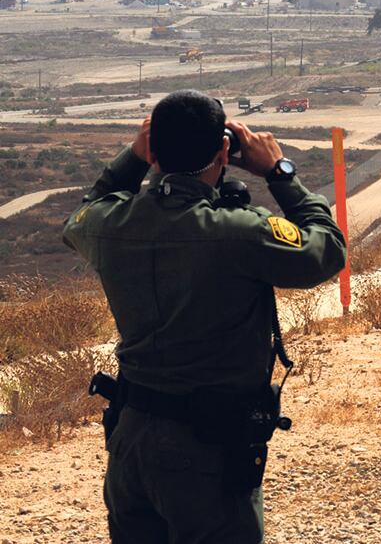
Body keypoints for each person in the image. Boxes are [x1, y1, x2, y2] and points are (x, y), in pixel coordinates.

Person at [62, 90, 347, 543]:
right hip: (209, 447)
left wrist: (133, 158)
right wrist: (279, 172)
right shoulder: (240, 232)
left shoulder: (108, 226)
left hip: (130, 441)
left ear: (153, 150)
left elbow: (85, 208)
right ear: (223, 153)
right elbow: (327, 251)